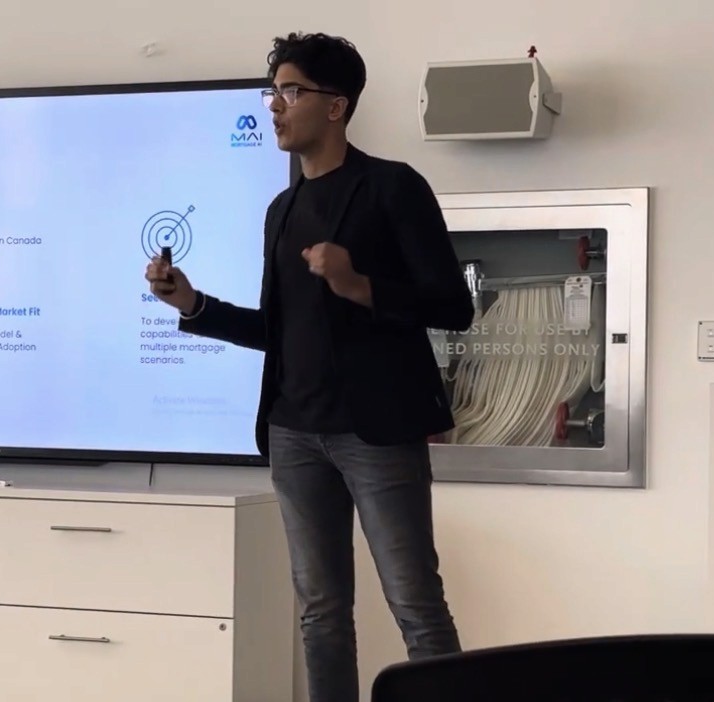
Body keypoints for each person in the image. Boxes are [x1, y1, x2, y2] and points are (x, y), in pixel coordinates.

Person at [144, 32, 474, 702]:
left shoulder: (392, 187)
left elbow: (453, 307)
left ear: (335, 105)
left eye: (290, 92)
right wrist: (194, 304)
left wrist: (360, 286)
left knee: (415, 603)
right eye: (273, 92)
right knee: (320, 613)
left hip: (376, 433)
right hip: (293, 432)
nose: (275, 106)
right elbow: (280, 330)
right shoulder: (283, 208)